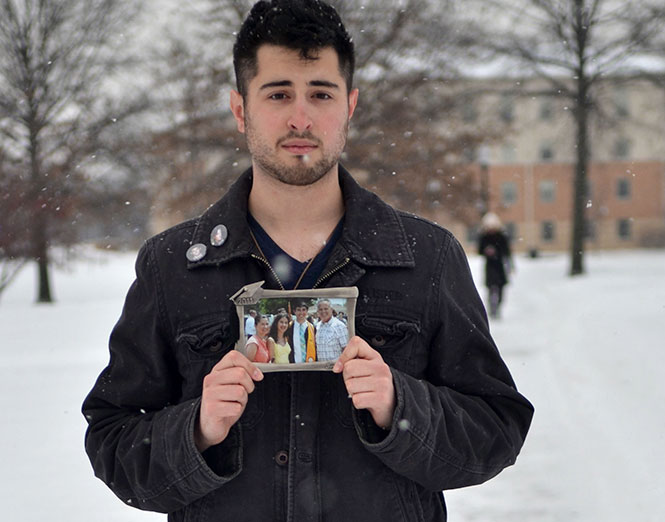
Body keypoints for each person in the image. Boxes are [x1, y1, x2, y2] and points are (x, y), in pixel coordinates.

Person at [82, 1, 533, 521]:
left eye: (321, 93)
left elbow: (496, 430)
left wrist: (400, 408)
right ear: (240, 109)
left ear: (350, 107)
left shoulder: (425, 259)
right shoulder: (173, 266)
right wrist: (197, 431)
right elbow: (112, 438)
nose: (301, 117)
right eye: (278, 94)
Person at [478, 212, 513, 318]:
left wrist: (497, 252)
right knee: (491, 288)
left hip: (499, 266)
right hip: (490, 266)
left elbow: (506, 251)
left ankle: (498, 307)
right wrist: (486, 251)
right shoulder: (484, 237)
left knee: (500, 288)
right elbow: (479, 250)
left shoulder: (501, 237)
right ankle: (492, 308)